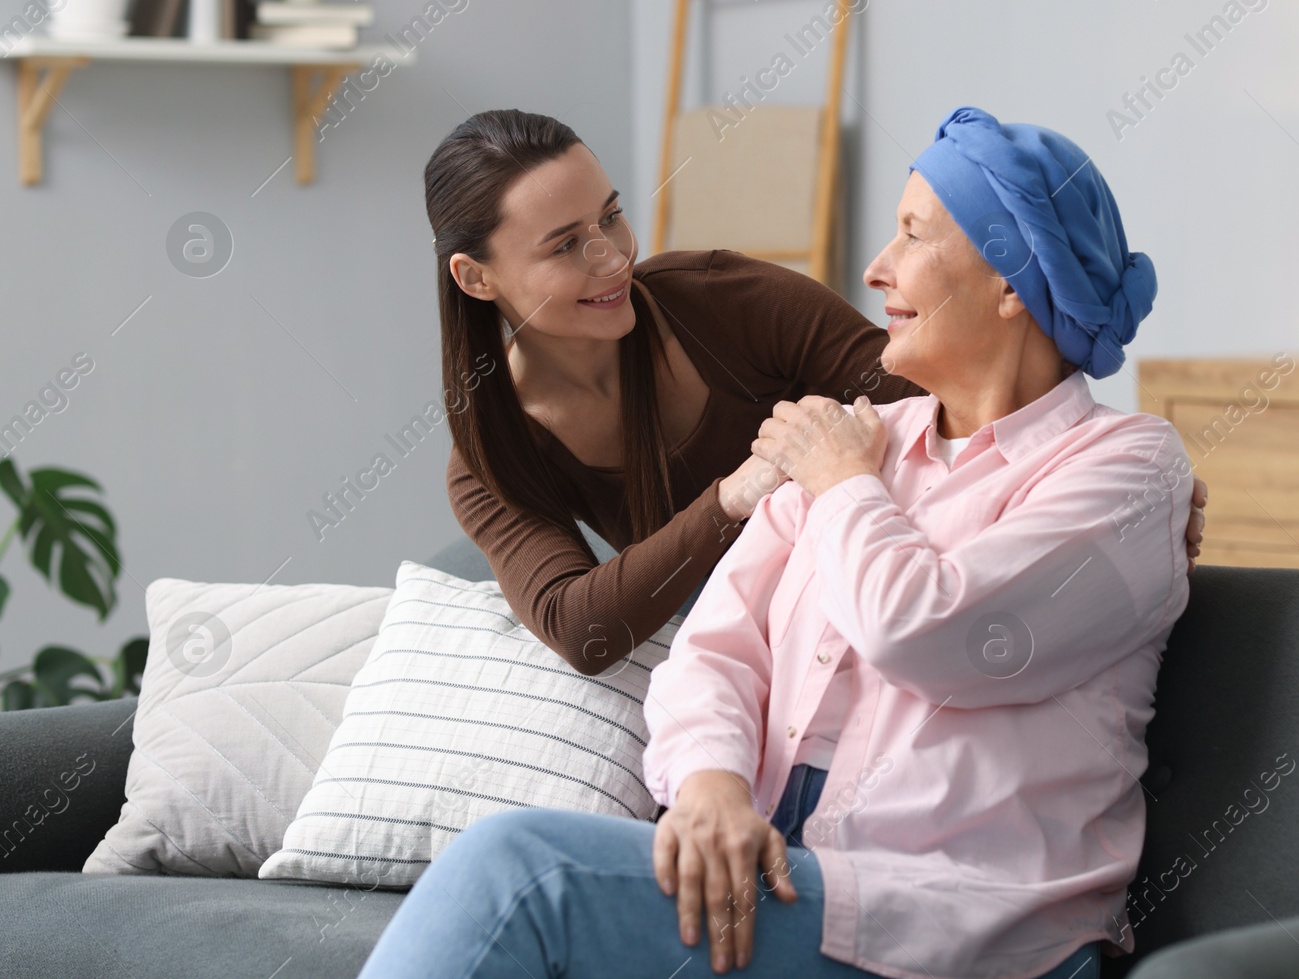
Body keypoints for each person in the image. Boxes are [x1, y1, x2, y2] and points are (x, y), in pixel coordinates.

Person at [359, 106, 1195, 979]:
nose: (875, 268)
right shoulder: (855, 442)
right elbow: (714, 646)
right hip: (784, 871)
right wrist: (710, 784)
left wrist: (842, 479)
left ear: (1014, 282)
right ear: (477, 277)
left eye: (910, 234)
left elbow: (929, 630)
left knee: (521, 874)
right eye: (565, 243)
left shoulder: (1095, 466)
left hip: (952, 910)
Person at [428, 109, 1207, 678]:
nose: (611, 259)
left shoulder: (720, 299)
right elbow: (583, 628)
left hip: (854, 622)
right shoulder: (489, 457)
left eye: (611, 217)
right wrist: (733, 496)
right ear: (476, 276)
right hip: (739, 671)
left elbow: (949, 382)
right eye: (566, 246)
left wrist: (1113, 484)